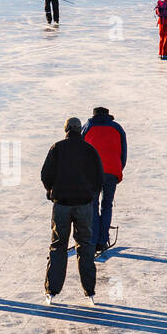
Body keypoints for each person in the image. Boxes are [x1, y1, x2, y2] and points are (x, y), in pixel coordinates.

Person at [41, 116, 104, 305]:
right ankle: (89, 291)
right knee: (85, 245)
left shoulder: (57, 148)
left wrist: (50, 191)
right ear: (80, 130)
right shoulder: (89, 150)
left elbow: (45, 174)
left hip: (61, 205)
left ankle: (52, 290)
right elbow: (99, 178)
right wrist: (91, 194)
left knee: (58, 246)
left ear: (66, 129)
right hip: (84, 205)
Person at [82, 107, 127, 253]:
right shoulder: (117, 128)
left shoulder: (87, 127)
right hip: (112, 172)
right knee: (107, 205)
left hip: (92, 172)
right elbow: (123, 152)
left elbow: (80, 149)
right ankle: (102, 241)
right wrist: (118, 168)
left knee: (93, 206)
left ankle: (93, 240)